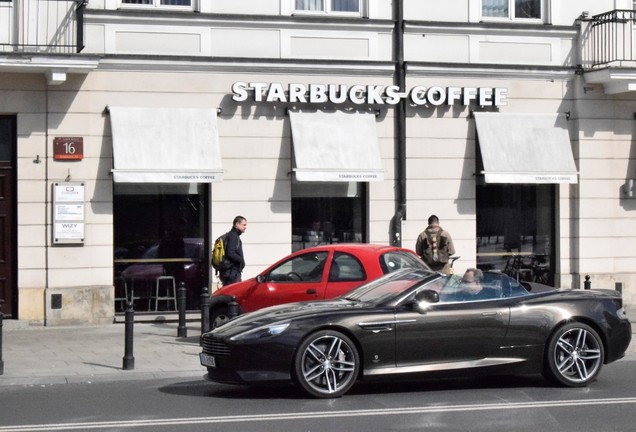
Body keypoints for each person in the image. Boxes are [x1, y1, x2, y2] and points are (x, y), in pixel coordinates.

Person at [219, 216, 247, 286]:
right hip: (232, 273)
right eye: (244, 225)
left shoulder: (233, 235)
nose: (245, 227)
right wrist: (241, 260)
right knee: (232, 294)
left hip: (231, 273)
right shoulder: (233, 236)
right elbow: (230, 253)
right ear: (237, 224)